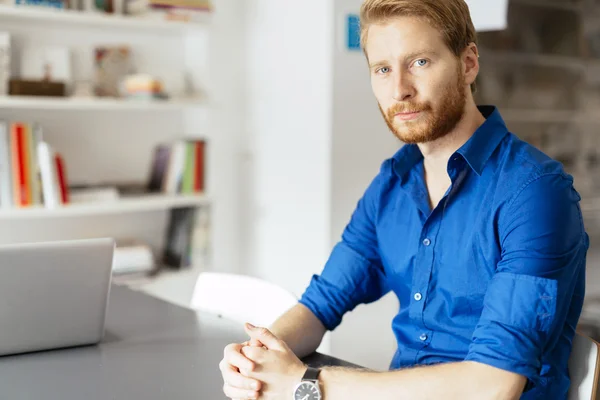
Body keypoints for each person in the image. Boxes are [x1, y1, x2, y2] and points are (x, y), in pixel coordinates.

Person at [219, 0, 589, 399]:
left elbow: (493, 385)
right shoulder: (392, 184)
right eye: (382, 69)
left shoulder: (533, 191)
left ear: (468, 64)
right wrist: (258, 358)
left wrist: (307, 383)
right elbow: (321, 303)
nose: (399, 89)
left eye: (419, 63)